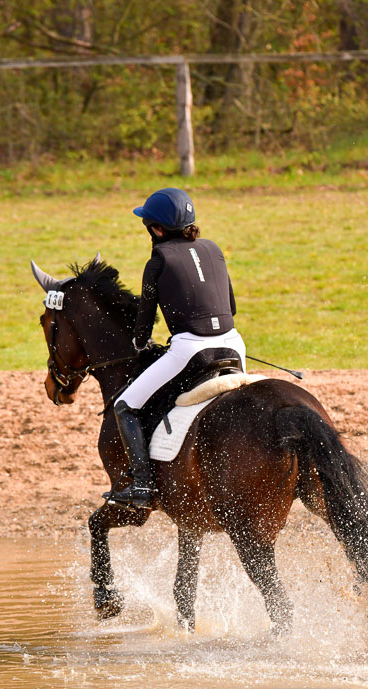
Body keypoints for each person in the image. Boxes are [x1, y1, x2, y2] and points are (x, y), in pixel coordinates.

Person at [108, 187, 246, 508]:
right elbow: (232, 307)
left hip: (190, 352)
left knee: (125, 406)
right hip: (234, 346)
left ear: (156, 229)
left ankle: (142, 485)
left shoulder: (157, 261)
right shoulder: (213, 249)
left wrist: (140, 343)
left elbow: (143, 326)